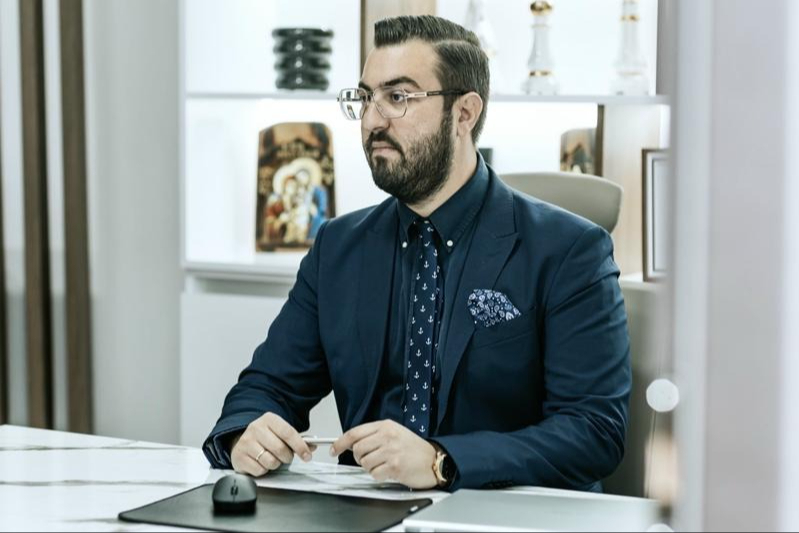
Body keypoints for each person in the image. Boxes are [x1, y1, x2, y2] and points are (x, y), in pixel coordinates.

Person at [204, 15, 631, 492]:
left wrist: (441, 461)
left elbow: (593, 431)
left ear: (465, 113)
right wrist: (245, 432)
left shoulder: (570, 250)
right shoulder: (338, 247)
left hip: (508, 513)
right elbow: (267, 387)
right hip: (367, 511)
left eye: (398, 97)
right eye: (365, 98)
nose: (372, 120)